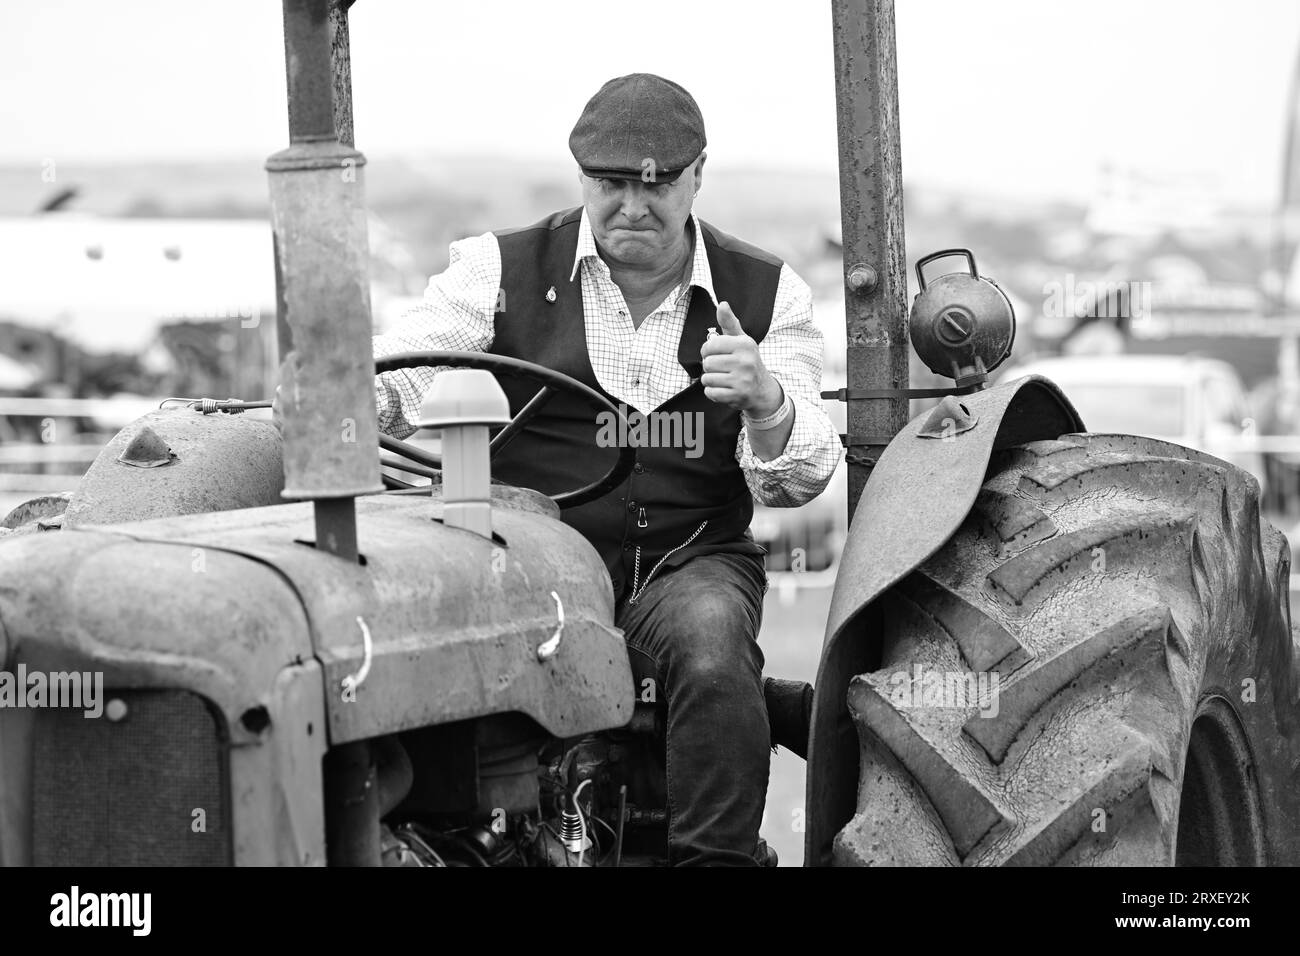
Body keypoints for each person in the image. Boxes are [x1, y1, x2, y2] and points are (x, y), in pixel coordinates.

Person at [373, 73, 840, 865]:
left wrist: (765, 399)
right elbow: (404, 372)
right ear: (583, 177)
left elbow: (794, 481)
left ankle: (713, 858)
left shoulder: (765, 293)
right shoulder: (496, 271)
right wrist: (353, 393)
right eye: (612, 184)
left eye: (656, 185)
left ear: (697, 175)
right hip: (528, 565)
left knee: (711, 640)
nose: (633, 206)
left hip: (686, 562)